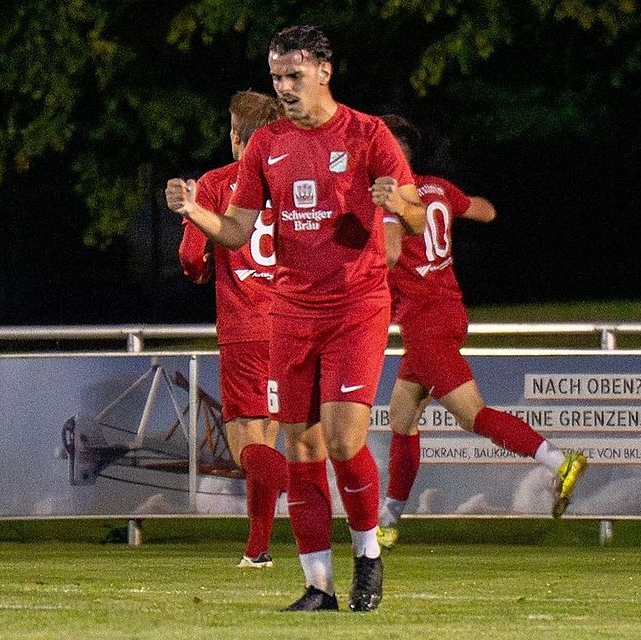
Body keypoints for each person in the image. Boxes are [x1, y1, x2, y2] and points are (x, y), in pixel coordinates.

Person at [166, 26, 425, 612]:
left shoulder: (367, 134)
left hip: (356, 307)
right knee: (301, 447)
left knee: (341, 439)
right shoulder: (266, 145)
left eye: (294, 76)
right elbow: (235, 232)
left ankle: (367, 556)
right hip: (290, 312)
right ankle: (318, 586)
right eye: (276, 77)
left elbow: (412, 218)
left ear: (325, 71)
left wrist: (397, 203)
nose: (283, 88)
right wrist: (194, 212)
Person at [374, 115, 588, 549]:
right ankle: (389, 520)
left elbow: (391, 256)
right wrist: (454, 210)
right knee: (401, 418)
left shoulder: (392, 200)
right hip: (448, 311)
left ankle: (558, 461)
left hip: (426, 322)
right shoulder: (436, 188)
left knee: (472, 416)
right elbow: (486, 211)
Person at [177, 90, 288, 569]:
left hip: (244, 329)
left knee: (248, 451)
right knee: (269, 436)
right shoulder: (290, 179)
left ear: (237, 136)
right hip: (290, 328)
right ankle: (257, 550)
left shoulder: (217, 183)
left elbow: (189, 258)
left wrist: (201, 271)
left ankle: (300, 478)